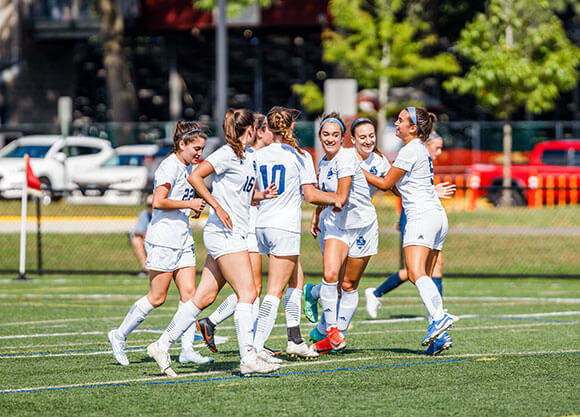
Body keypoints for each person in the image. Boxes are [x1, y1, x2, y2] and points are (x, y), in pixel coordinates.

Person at [145, 109, 280, 377]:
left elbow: (240, 190)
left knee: (203, 298)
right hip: (224, 233)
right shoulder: (227, 153)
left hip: (234, 232)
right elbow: (196, 177)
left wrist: (260, 195)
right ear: (250, 131)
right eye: (257, 127)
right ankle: (248, 357)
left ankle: (161, 344)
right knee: (248, 292)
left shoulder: (245, 157)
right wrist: (216, 206)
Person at [108, 121, 213, 370]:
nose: (200, 153)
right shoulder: (169, 166)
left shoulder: (190, 168)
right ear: (181, 144)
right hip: (163, 240)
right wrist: (188, 205)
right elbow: (158, 202)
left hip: (183, 239)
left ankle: (186, 349)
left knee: (190, 297)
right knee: (157, 297)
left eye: (202, 149)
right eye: (196, 148)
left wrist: (194, 205)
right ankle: (119, 335)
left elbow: (181, 200)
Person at [361, 106, 457, 349]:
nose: (396, 123)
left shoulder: (410, 148)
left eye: (401, 120)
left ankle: (438, 317)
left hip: (421, 217)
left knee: (415, 273)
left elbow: (384, 183)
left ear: (413, 128)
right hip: (436, 216)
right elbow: (399, 187)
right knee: (426, 274)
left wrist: (357, 171)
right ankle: (440, 330)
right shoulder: (418, 149)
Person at [251, 106, 342, 360]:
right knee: (274, 291)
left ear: (268, 128)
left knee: (296, 281)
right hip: (284, 227)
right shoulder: (299, 155)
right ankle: (255, 349)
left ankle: (295, 340)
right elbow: (311, 195)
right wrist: (336, 198)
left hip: (261, 225)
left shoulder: (258, 154)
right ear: (291, 127)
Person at [303, 117, 389, 352]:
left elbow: (340, 198)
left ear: (343, 139)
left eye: (334, 135)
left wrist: (313, 197)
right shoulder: (322, 160)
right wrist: (318, 212)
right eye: (326, 134)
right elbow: (329, 195)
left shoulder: (348, 159)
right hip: (336, 226)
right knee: (331, 275)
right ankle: (332, 332)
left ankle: (327, 333)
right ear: (320, 137)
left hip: (362, 226)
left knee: (348, 285)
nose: (330, 139)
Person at [129, 194, 153, 276]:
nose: (151, 207)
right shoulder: (144, 214)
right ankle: (147, 269)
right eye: (149, 205)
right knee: (136, 241)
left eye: (152, 205)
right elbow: (139, 231)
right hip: (148, 240)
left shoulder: (164, 215)